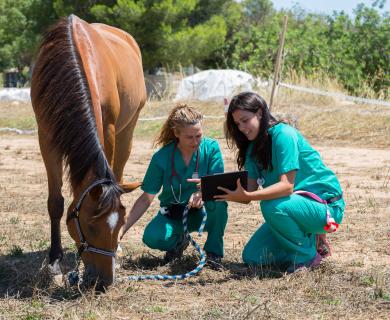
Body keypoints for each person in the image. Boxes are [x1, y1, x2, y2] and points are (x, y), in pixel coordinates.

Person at [215, 92, 345, 273]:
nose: (241, 128)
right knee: (253, 256)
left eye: (245, 120)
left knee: (271, 205)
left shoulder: (284, 135)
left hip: (327, 210)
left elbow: (286, 187)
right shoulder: (252, 148)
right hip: (295, 208)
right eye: (237, 124)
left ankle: (306, 257)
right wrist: (211, 186)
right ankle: (309, 242)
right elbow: (247, 192)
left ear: (259, 112)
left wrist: (249, 195)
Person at [120, 104, 228, 268]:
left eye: (198, 135)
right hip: (174, 214)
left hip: (203, 213)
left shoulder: (211, 148)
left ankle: (213, 253)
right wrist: (121, 230)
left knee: (220, 202)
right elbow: (145, 199)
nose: (195, 142)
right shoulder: (161, 158)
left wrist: (202, 191)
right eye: (189, 137)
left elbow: (217, 183)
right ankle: (178, 242)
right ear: (176, 133)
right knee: (152, 237)